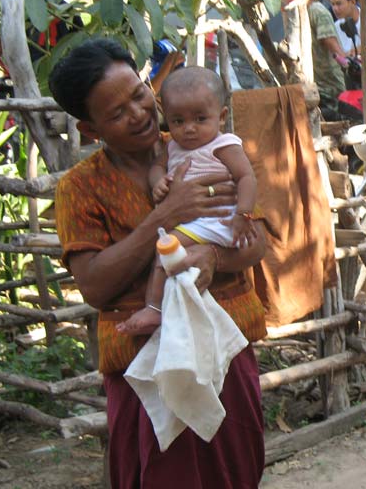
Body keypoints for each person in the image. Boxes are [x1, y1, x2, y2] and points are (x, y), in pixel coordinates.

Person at [49, 38, 266, 487]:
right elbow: (93, 287)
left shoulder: (205, 146)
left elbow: (256, 241)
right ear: (90, 130)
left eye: (139, 93)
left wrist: (214, 255)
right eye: (117, 112)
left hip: (223, 352)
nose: (140, 112)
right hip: (141, 369)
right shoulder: (80, 188)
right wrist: (162, 218)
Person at [115, 66, 260, 335]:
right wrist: (158, 182)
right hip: (195, 223)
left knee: (165, 250)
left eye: (200, 119)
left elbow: (246, 178)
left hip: (218, 220)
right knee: (178, 260)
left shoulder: (224, 144)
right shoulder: (172, 147)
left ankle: (153, 308)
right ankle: (176, 312)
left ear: (222, 117)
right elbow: (157, 168)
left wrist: (244, 214)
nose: (189, 129)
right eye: (178, 121)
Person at [308, 0, 347, 117]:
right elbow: (329, 40)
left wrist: (347, 62)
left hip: (322, 84)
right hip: (329, 86)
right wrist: (346, 64)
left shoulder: (313, 11)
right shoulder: (317, 10)